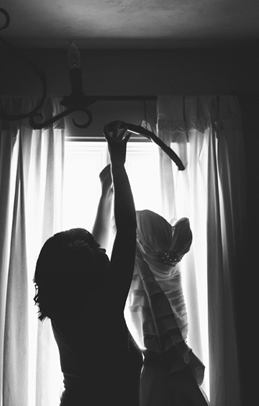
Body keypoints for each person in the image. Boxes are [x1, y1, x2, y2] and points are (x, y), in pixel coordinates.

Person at [33, 121, 143, 406]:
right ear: (90, 273)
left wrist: (106, 191)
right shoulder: (105, 308)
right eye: (99, 252)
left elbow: (96, 243)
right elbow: (128, 229)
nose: (105, 251)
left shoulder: (66, 305)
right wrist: (118, 165)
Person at [93, 164, 209, 405]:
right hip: (177, 367)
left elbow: (97, 248)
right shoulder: (170, 265)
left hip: (159, 377)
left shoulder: (141, 269)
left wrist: (106, 193)